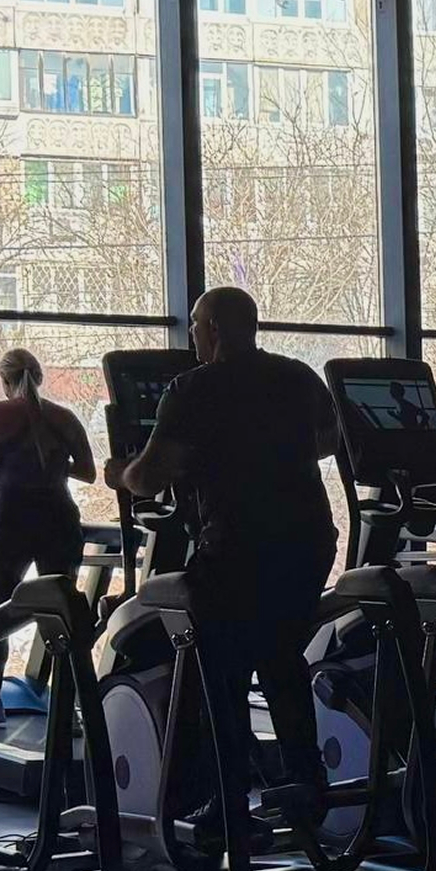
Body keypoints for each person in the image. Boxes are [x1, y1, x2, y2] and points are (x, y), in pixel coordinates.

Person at [105, 286, 340, 836]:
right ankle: (306, 787)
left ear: (212, 328)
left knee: (222, 673)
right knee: (282, 660)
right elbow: (330, 440)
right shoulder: (297, 376)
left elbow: (151, 476)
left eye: (194, 324)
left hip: (236, 546)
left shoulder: (193, 388)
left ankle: (226, 799)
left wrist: (121, 474)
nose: (191, 334)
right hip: (307, 544)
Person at [0, 347, 96, 725]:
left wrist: (8, 466)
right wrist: (53, 464)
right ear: (39, 376)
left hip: (13, 520)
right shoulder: (65, 417)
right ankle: (71, 709)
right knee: (62, 614)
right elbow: (88, 472)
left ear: (5, 381)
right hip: (60, 520)